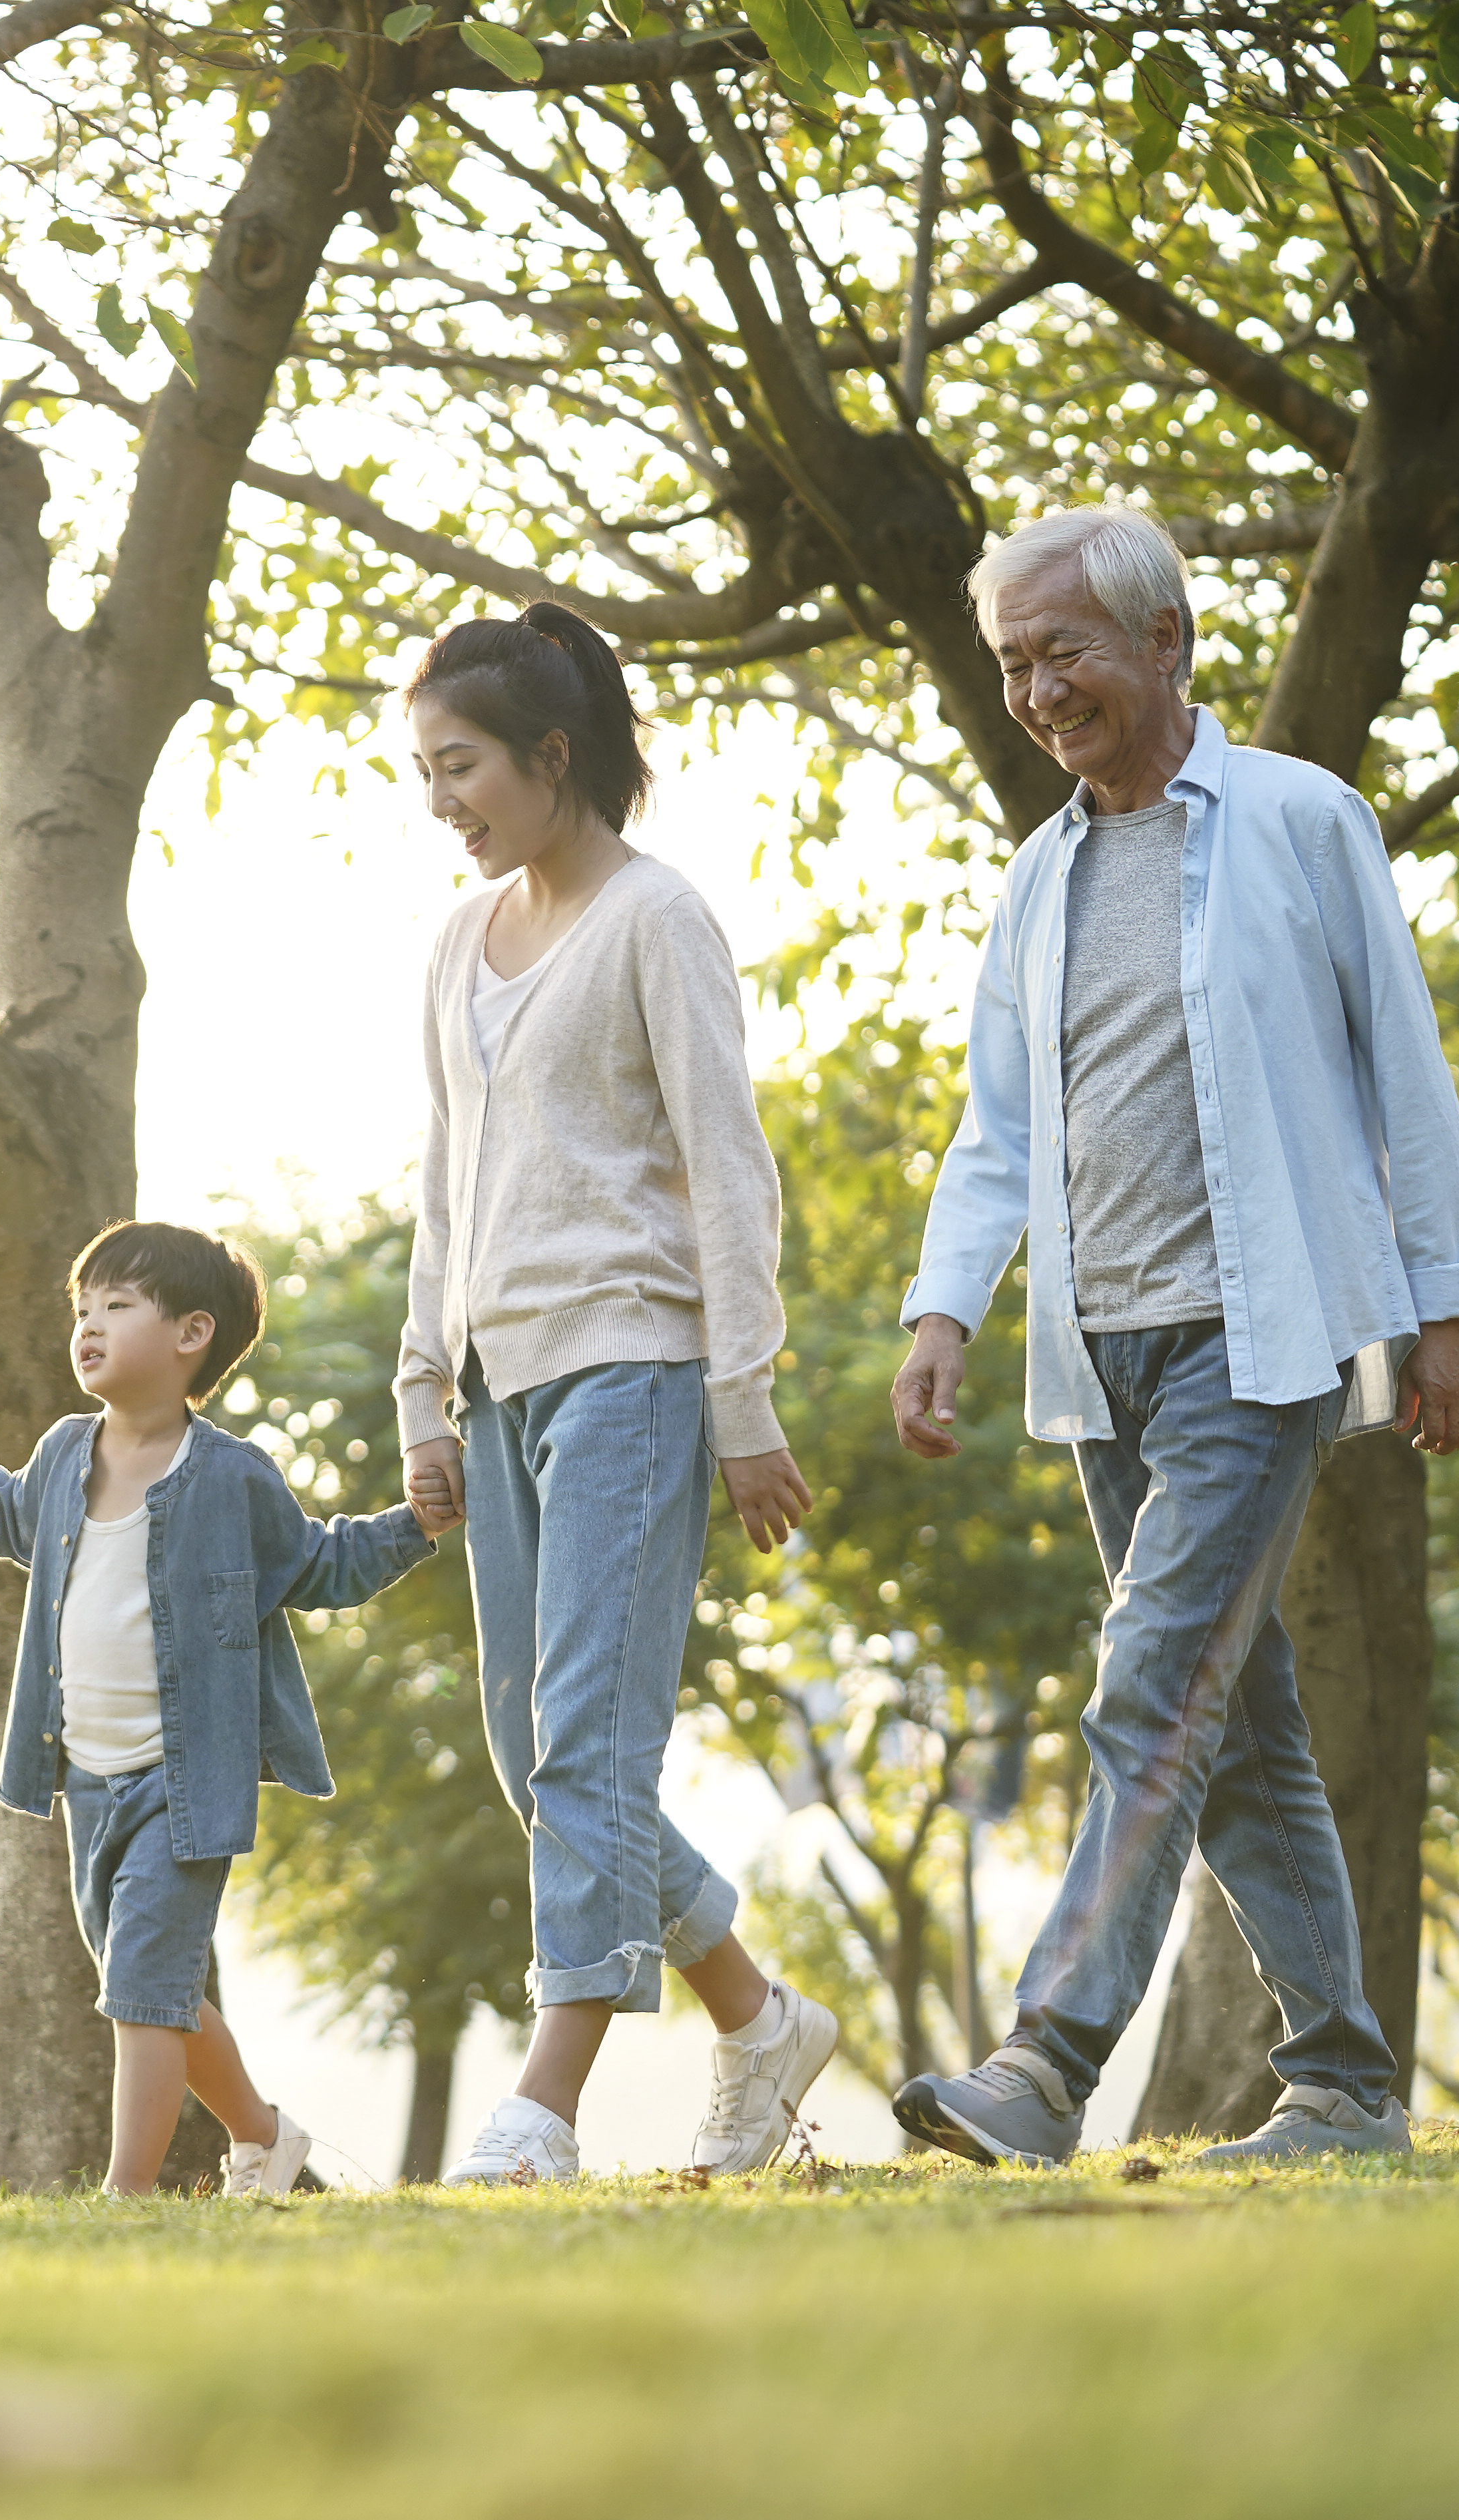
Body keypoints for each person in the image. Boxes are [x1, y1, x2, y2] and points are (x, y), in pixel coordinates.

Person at [887, 505, 1459, 2169]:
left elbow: (1404, 1075)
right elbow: (996, 1128)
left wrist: (1449, 1308)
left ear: (1166, 642)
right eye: (1014, 661)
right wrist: (950, 1307)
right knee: (1238, 1723)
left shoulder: (1304, 820)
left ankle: (1043, 2063)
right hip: (1101, 1357)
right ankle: (1349, 2086)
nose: (1036, 688)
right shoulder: (1041, 873)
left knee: (1151, 1684)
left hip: (1260, 1333)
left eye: (1062, 650)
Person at [396, 600, 847, 2187]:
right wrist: (420, 1393)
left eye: (461, 766)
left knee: (588, 1741)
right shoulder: (462, 940)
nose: (442, 798)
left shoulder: (660, 921)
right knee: (537, 1758)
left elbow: (731, 1168)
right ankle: (759, 2012)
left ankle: (544, 2106)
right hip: (500, 1377)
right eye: (425, 771)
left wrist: (743, 1397)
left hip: (638, 1371)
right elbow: (448, 1176)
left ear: (551, 754)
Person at [0, 1221, 447, 2197]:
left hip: (185, 1784)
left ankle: (128, 2193)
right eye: (82, 1309)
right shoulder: (65, 1455)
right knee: (158, 1993)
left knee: (143, 1992)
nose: (89, 1326)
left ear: (194, 1334)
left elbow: (322, 1565)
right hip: (86, 1781)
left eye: (117, 1305)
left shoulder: (231, 1476)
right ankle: (266, 2139)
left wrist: (417, 1524)